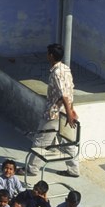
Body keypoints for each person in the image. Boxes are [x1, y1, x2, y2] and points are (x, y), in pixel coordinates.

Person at [18, 43, 79, 178]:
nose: (47, 56)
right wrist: (71, 110)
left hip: (54, 113)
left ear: (51, 56)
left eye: (47, 53)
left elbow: (63, 95)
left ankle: (32, 169)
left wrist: (69, 114)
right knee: (67, 142)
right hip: (64, 113)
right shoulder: (66, 68)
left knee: (41, 140)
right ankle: (74, 170)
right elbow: (70, 91)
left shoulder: (56, 73)